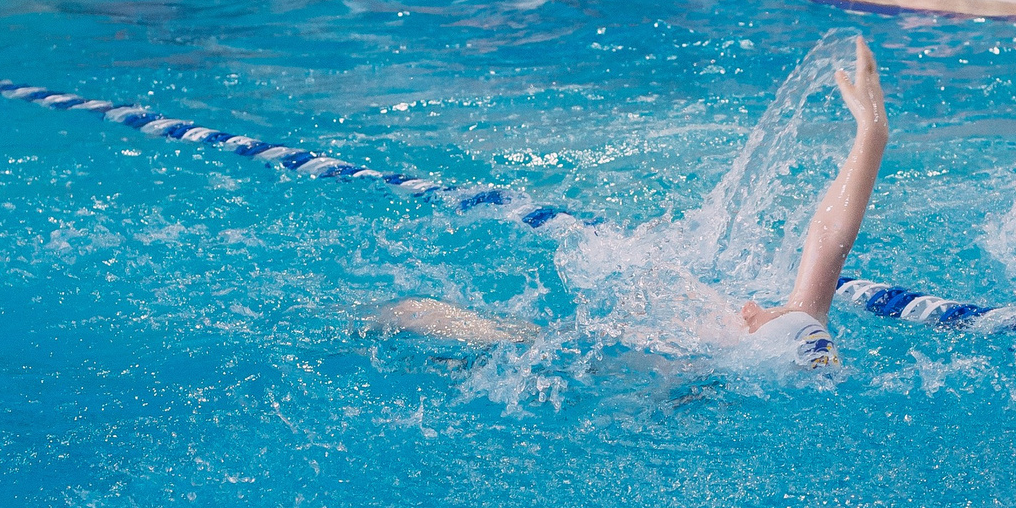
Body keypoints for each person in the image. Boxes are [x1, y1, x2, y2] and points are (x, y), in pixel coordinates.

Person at [377, 40, 889, 372]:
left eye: (758, 320)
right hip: (601, 355)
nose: (753, 307)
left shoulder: (689, 361)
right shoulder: (775, 344)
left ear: (755, 347)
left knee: (433, 320)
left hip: (564, 358)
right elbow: (830, 236)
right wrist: (872, 133)